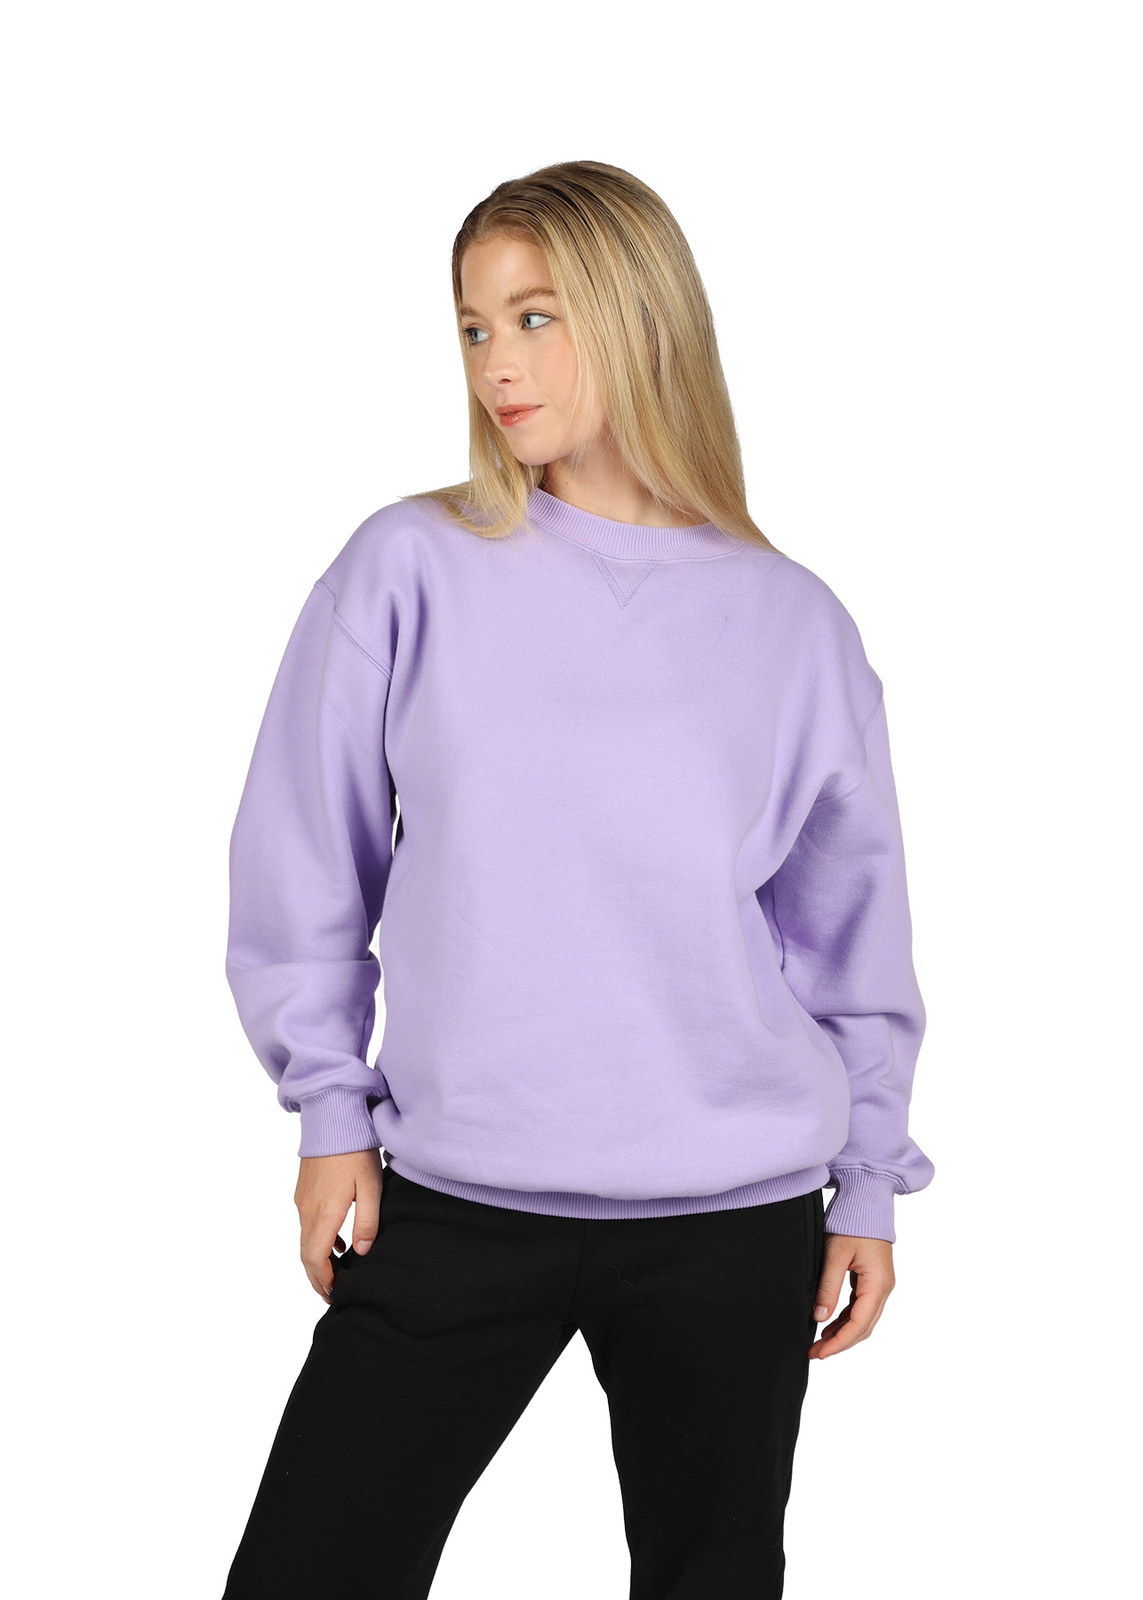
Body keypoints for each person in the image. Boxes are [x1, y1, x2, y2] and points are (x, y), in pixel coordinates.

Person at [220, 159, 935, 1599]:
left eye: (536, 317)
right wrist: (328, 1110)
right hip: (459, 1190)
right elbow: (305, 857)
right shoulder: (409, 567)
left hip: (733, 1214)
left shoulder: (792, 625)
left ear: (638, 317)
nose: (496, 362)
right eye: (474, 326)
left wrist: (867, 1180)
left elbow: (850, 941)